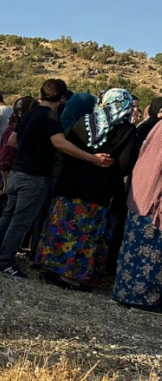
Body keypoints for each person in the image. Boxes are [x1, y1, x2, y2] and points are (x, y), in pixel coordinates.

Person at [0, 79, 113, 277]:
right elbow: (60, 143)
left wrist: (30, 148)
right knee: (20, 222)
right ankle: (5, 262)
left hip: (17, 172)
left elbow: (12, 141)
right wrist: (92, 158)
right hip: (34, 177)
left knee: (8, 216)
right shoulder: (51, 118)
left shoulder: (29, 114)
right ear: (61, 98)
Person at [36, 89, 137, 289]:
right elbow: (125, 164)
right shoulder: (127, 130)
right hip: (98, 192)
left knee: (62, 226)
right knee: (84, 233)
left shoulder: (83, 121)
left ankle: (49, 268)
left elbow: (67, 148)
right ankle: (71, 276)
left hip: (68, 185)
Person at [113, 105, 162, 311]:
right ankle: (144, 300)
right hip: (154, 201)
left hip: (140, 195)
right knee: (151, 253)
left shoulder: (158, 126)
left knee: (133, 248)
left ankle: (124, 293)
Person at [0, 96, 35, 231]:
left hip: (7, 176)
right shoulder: (17, 129)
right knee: (4, 215)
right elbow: (6, 158)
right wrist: (6, 184)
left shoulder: (15, 127)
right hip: (7, 177)